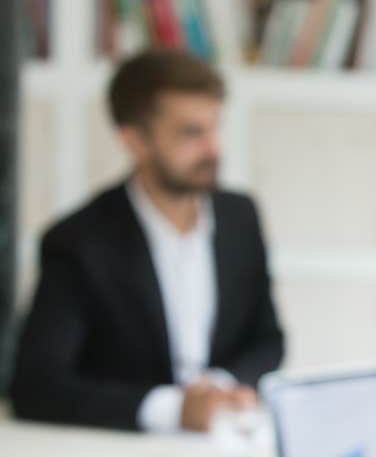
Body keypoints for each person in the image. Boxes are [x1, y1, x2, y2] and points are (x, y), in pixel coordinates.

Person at [11, 50, 284, 432]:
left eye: (215, 126)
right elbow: (36, 387)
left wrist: (220, 388)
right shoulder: (77, 241)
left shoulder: (240, 216)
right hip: (122, 456)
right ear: (135, 140)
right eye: (191, 132)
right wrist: (173, 410)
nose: (213, 149)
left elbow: (268, 339)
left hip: (226, 443)